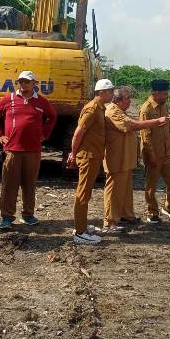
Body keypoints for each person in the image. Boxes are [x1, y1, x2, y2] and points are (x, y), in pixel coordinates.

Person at [0, 71, 57, 229]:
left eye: (27, 82)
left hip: (33, 150)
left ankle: (28, 215)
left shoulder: (41, 101)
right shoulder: (9, 98)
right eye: (21, 82)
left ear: (34, 84)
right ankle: (7, 217)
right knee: (9, 185)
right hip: (12, 150)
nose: (23, 84)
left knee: (29, 184)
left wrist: (45, 134)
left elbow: (52, 116)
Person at [103, 86, 168, 232]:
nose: (130, 101)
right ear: (118, 100)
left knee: (125, 188)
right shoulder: (113, 111)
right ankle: (110, 221)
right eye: (127, 98)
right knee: (114, 189)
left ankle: (126, 215)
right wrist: (156, 121)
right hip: (116, 158)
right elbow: (132, 125)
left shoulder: (120, 110)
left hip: (124, 158)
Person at [68, 78, 114, 245]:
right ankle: (80, 233)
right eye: (110, 91)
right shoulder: (92, 109)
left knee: (85, 194)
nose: (112, 94)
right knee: (83, 194)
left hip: (94, 156)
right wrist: (73, 154)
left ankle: (82, 227)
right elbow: (78, 133)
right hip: (88, 156)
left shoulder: (100, 108)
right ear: (101, 92)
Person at [139, 79, 170, 223]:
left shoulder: (164, 106)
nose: (166, 96)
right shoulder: (146, 109)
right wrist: (151, 155)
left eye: (166, 93)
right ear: (155, 93)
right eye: (164, 94)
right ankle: (152, 212)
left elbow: (168, 127)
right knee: (151, 185)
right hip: (153, 154)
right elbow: (145, 135)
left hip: (167, 153)